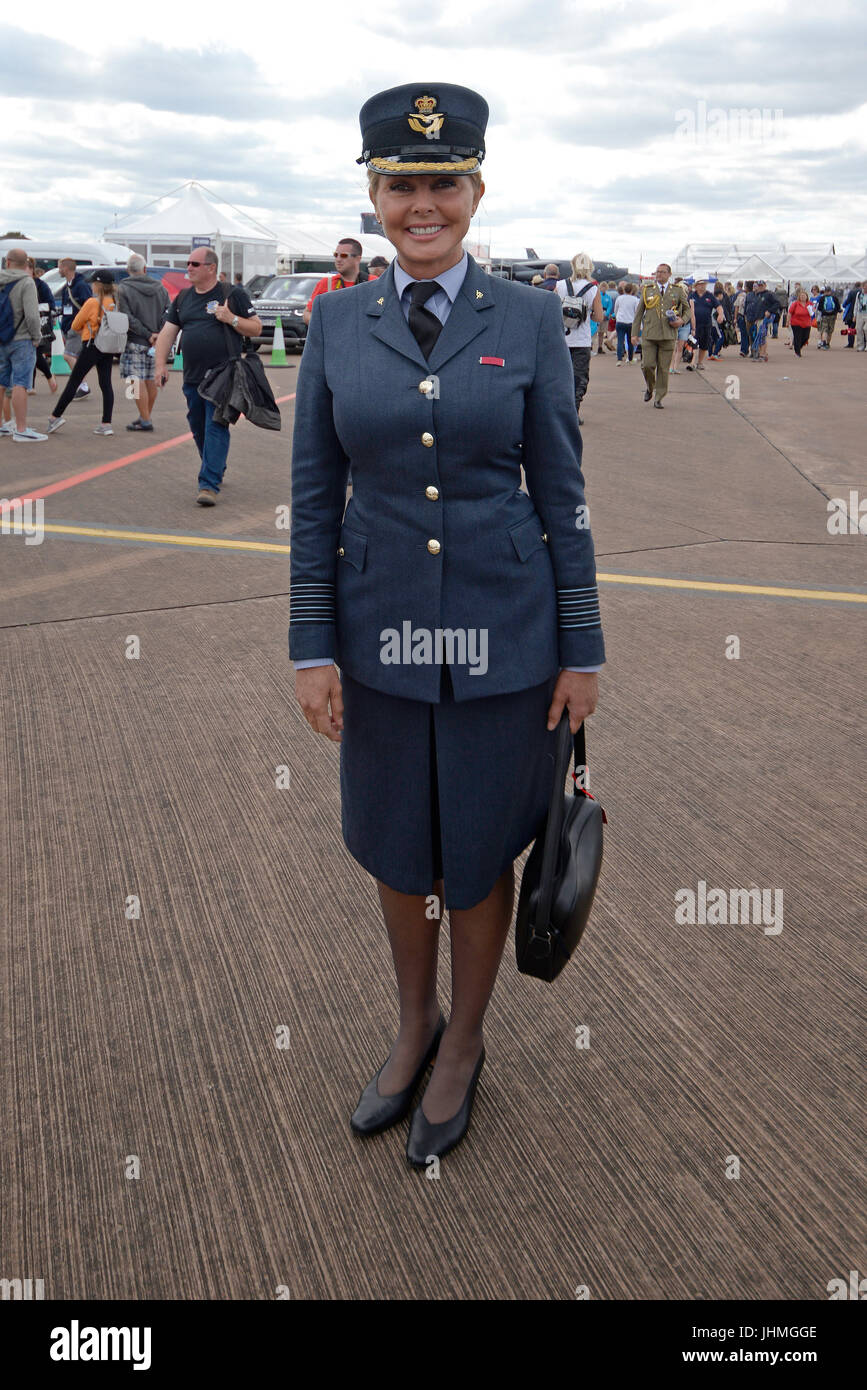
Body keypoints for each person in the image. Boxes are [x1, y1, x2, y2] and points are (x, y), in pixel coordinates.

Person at [290, 82, 605, 1169]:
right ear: (375, 194)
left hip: (505, 637)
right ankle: (413, 1020)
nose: (422, 204)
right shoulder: (334, 318)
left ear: (476, 190)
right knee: (394, 844)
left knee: (473, 852)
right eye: (400, 185)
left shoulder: (525, 317)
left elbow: (563, 491)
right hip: (375, 639)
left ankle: (464, 1041)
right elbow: (315, 495)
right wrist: (310, 644)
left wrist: (583, 647)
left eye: (443, 184)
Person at [153, 247, 261, 505]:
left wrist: (231, 319)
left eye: (194, 264)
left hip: (222, 375)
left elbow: (256, 328)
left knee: (215, 424)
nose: (188, 268)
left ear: (211, 268)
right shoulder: (183, 298)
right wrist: (160, 365)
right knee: (197, 425)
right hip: (192, 377)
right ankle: (214, 465)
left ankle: (208, 484)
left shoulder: (231, 295)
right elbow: (168, 332)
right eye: (188, 263)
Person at [47, 271, 119, 435]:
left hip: (92, 344)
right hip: (108, 346)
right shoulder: (115, 302)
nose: (91, 285)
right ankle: (106, 424)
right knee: (106, 384)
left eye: (93, 283)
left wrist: (85, 332)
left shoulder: (92, 303)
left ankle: (55, 417)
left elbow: (75, 324)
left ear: (98, 285)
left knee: (74, 381)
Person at [117, 254, 170, 431]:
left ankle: (145, 419)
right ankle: (144, 416)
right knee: (149, 379)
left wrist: (147, 334)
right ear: (145, 269)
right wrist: (157, 335)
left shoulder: (123, 289)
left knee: (133, 380)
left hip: (135, 340)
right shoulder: (160, 288)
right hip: (156, 343)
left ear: (128, 270)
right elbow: (168, 314)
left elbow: (126, 317)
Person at [0, 247, 46, 441]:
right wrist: (37, 338)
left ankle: (2, 425)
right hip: (21, 339)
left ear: (7, 262)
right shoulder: (27, 283)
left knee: (1, 382)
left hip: (1, 338)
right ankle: (21, 429)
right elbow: (32, 316)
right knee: (21, 382)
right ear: (26, 264)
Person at [632, 263, 690, 407]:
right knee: (647, 365)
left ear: (669, 274)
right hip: (650, 334)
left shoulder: (677, 291)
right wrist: (634, 334)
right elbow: (639, 313)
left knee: (663, 368)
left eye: (663, 272)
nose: (659, 275)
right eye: (657, 272)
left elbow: (688, 310)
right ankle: (650, 388)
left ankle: (659, 397)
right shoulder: (647, 290)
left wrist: (681, 321)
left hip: (668, 334)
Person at [555, 252, 603, 424]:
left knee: (559, 376)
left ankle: (558, 412)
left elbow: (553, 311)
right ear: (590, 268)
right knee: (579, 378)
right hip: (581, 341)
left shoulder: (560, 285)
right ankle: (573, 413)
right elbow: (599, 317)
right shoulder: (593, 289)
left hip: (562, 339)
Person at [302, 238, 367, 325]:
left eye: (344, 255)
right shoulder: (326, 284)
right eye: (336, 255)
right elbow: (307, 314)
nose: (338, 259)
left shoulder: (372, 282)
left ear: (358, 259)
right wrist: (325, 326)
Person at [57, 257, 92, 397]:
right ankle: (79, 384)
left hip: (77, 328)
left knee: (68, 356)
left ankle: (82, 385)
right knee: (74, 357)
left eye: (60, 267)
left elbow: (89, 306)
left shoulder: (81, 286)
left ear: (66, 268)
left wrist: (81, 325)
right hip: (68, 327)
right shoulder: (68, 286)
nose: (59, 270)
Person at [27, 258, 58, 395]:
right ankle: (31, 386)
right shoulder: (20, 284)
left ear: (31, 269)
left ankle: (49, 377)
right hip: (24, 324)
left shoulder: (41, 285)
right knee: (31, 354)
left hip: (39, 324)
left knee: (35, 353)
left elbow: (51, 304)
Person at [689, 276, 724, 370]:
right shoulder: (692, 295)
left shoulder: (710, 296)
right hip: (694, 325)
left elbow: (719, 306)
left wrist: (720, 314)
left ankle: (699, 362)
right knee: (693, 343)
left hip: (706, 324)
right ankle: (692, 362)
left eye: (704, 284)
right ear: (695, 286)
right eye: (700, 284)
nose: (702, 286)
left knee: (704, 345)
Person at [613, 281, 639, 363]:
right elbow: (636, 312)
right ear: (632, 290)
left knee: (620, 341)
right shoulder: (635, 299)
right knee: (630, 341)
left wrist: (617, 317)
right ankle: (630, 359)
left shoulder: (619, 298)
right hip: (630, 322)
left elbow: (615, 309)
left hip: (620, 321)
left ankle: (619, 359)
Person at [788, 289, 813, 357]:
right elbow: (790, 312)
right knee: (797, 337)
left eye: (804, 296)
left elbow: (813, 313)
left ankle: (798, 347)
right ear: (799, 297)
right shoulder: (795, 303)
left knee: (806, 337)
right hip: (796, 323)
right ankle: (797, 352)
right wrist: (788, 322)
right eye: (801, 296)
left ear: (807, 297)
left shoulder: (810, 304)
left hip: (807, 323)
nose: (803, 297)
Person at [853, 280, 867, 351]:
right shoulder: (859, 294)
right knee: (859, 329)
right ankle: (860, 346)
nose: (865, 289)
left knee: (866, 329)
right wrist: (854, 315)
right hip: (860, 313)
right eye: (864, 287)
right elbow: (856, 305)